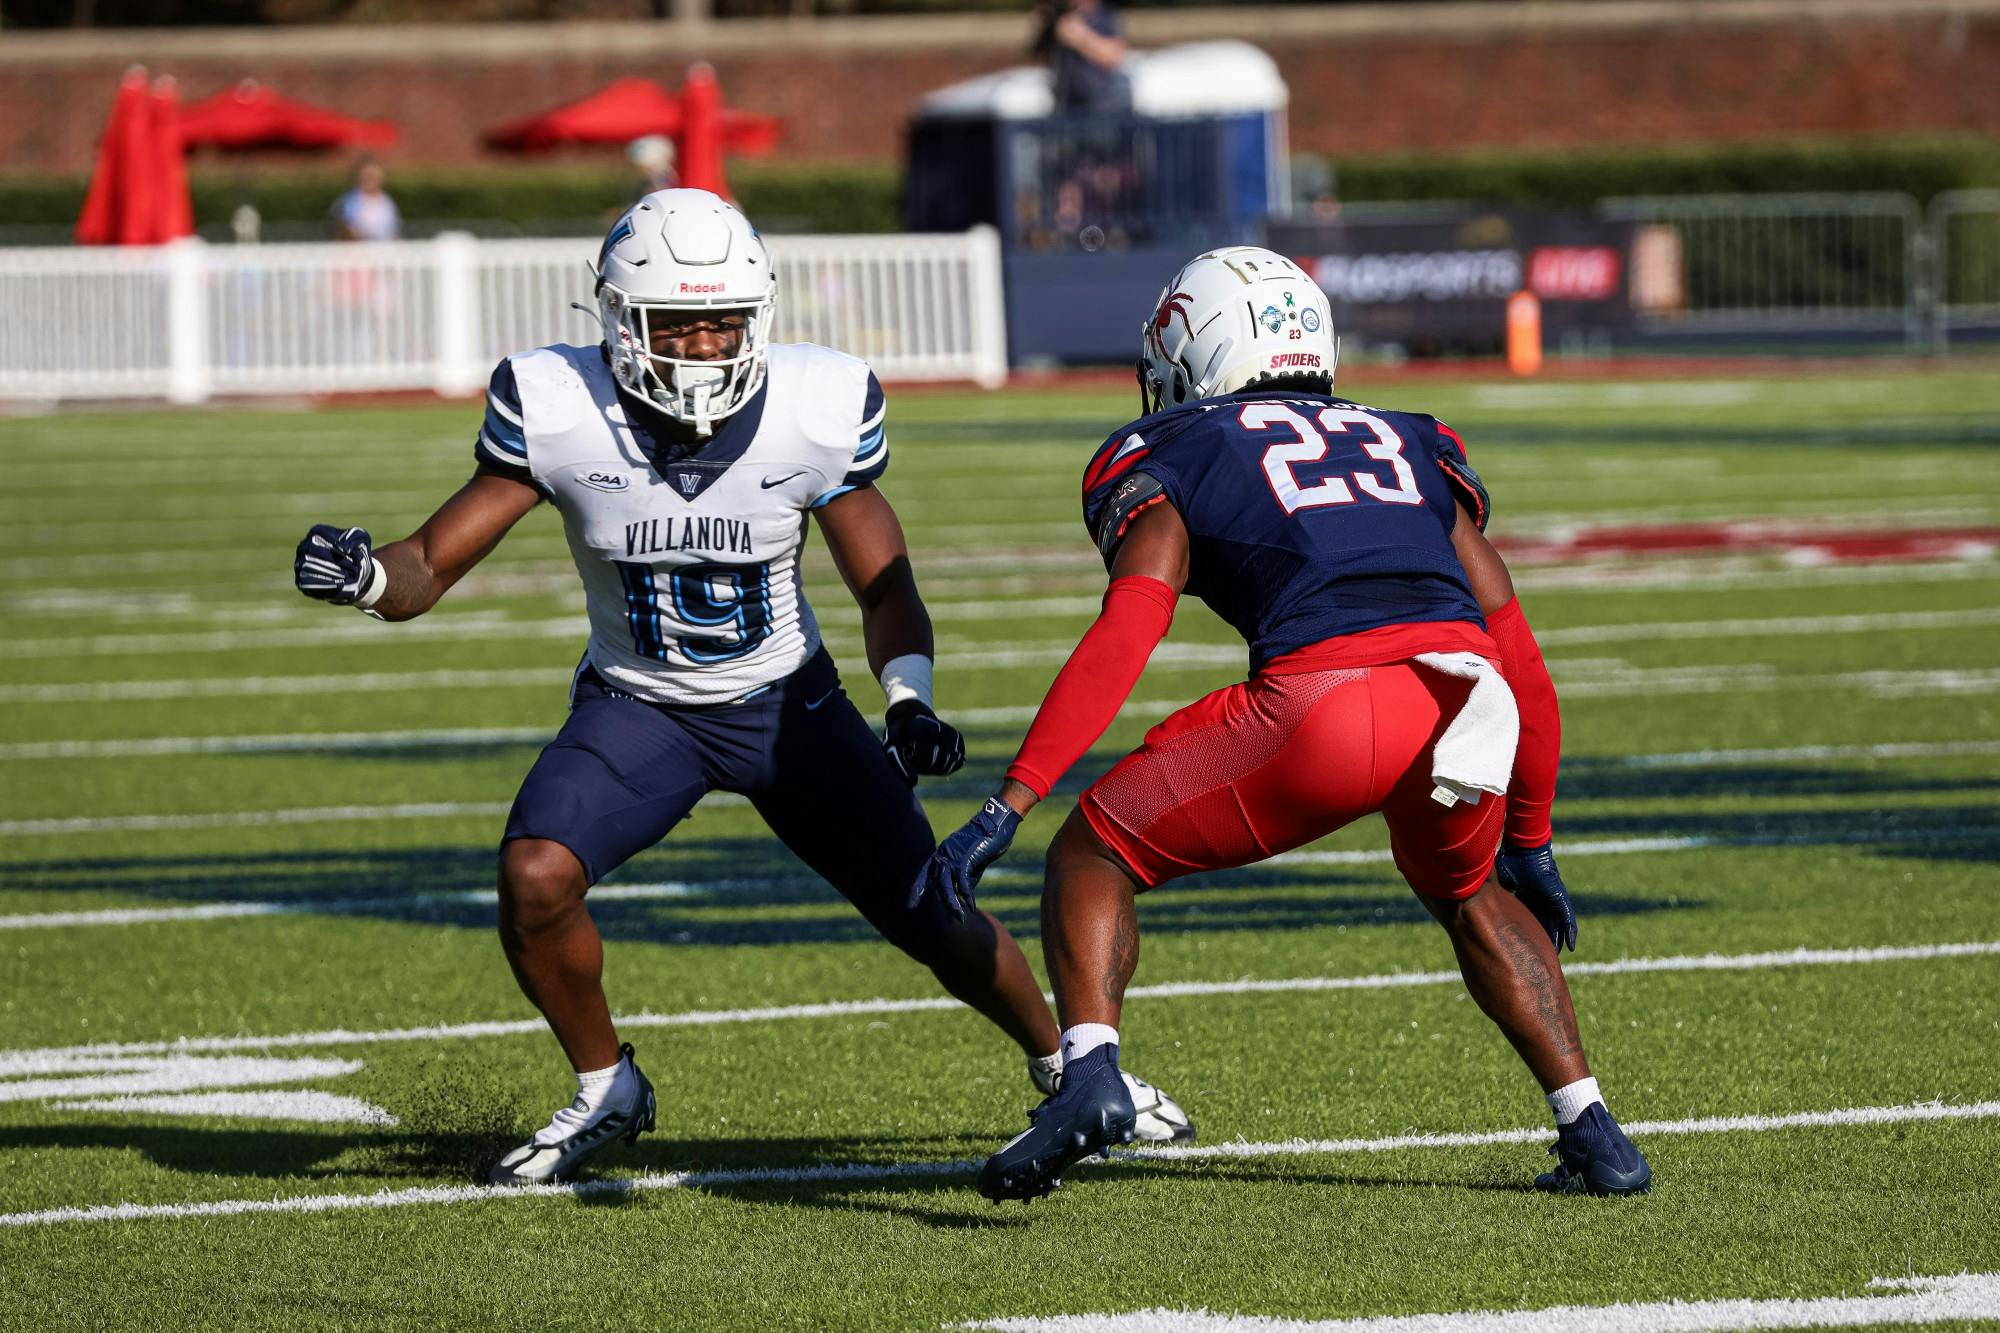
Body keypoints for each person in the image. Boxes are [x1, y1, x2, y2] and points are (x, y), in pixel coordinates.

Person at [292, 189, 1192, 1186]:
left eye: (725, 318)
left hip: (785, 708)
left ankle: (1066, 1063)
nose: (706, 342)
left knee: (929, 908)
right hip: (638, 707)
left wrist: (907, 696)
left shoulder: (810, 408)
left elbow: (882, 579)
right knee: (535, 875)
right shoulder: (556, 404)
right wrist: (368, 575)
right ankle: (604, 1086)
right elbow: (428, 561)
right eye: (680, 321)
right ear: (620, 321)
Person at [918, 246, 1653, 1203]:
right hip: (1469, 706)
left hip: (1330, 707)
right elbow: (1519, 652)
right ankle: (1595, 1132)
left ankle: (1092, 1075)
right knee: (1474, 895)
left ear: (1198, 344)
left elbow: (1131, 623)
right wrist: (1535, 837)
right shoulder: (1411, 436)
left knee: (1091, 854)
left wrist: (1010, 803)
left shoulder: (1176, 445)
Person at [1033, 0, 1131, 114]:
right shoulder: (1060, 18)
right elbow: (1039, 56)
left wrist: (1081, 38)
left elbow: (1114, 57)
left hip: (1100, 108)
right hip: (1066, 106)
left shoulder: (1106, 16)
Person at [330, 158, 400, 242]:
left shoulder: (387, 201)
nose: (370, 180)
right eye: (367, 176)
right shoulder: (350, 200)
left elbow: (394, 230)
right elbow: (346, 229)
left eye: (373, 176)